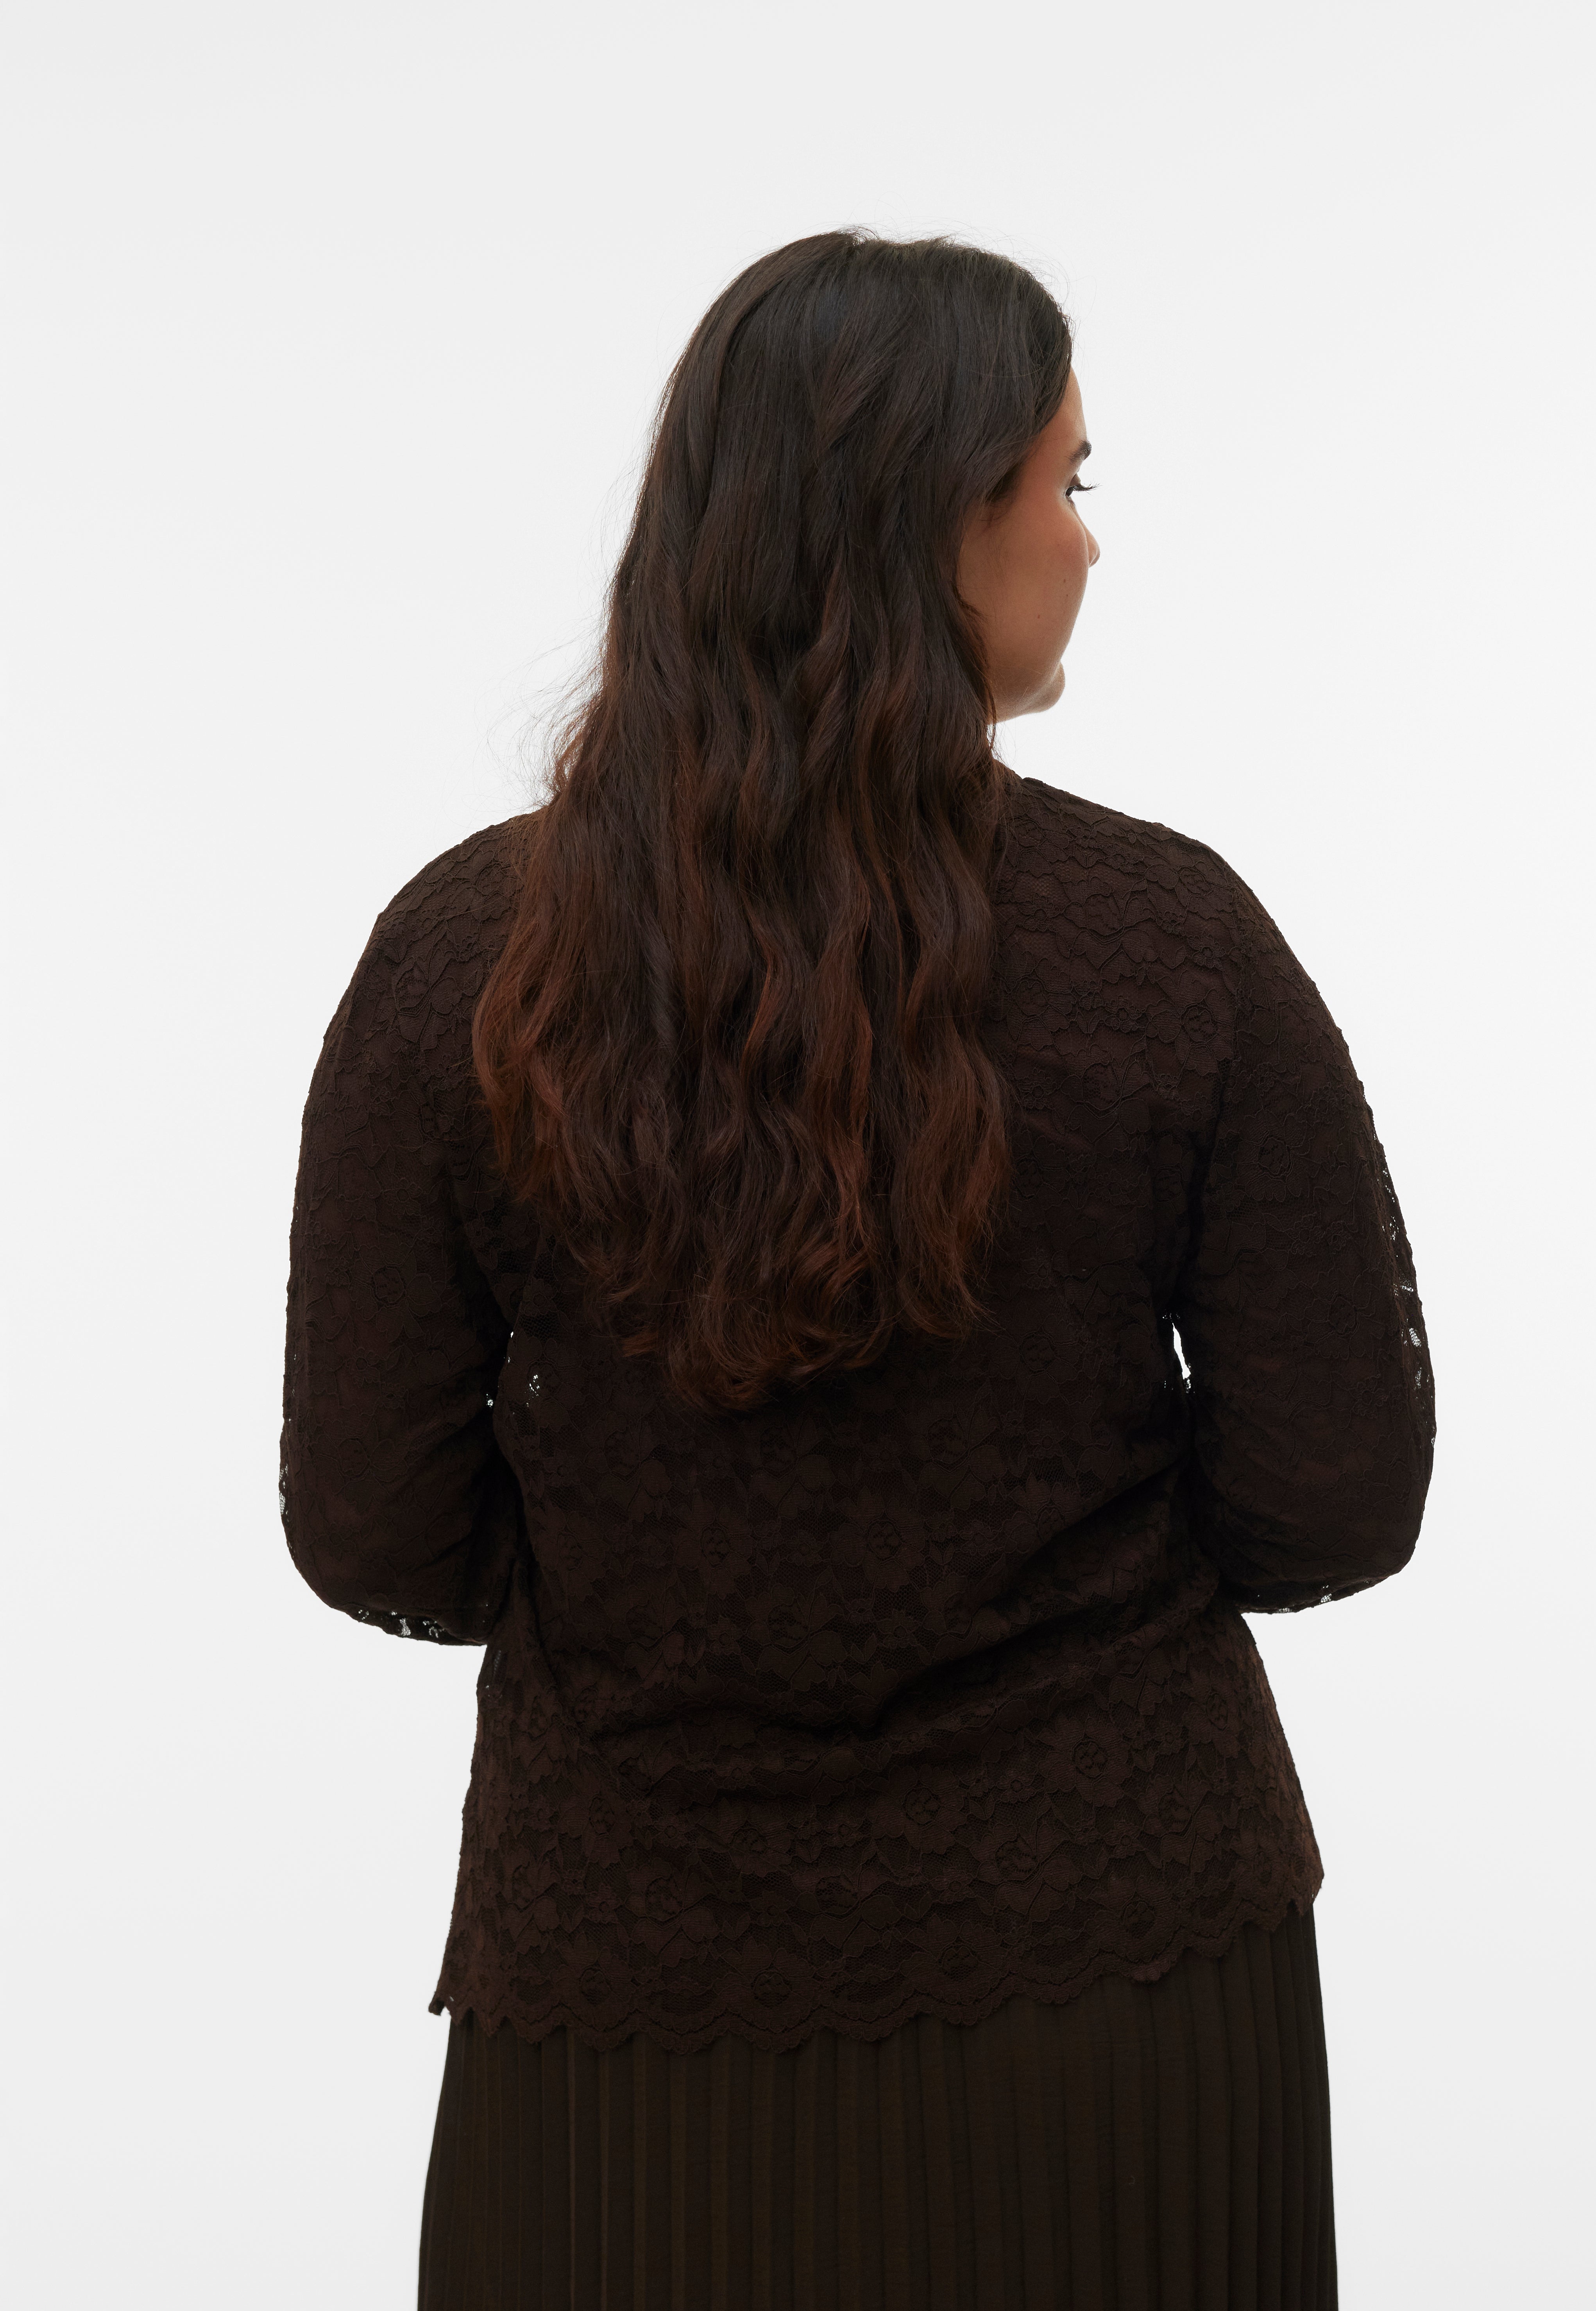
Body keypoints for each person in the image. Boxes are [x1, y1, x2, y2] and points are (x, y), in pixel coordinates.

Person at [281, 228, 1433, 2311]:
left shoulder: (462, 962)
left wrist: (652, 1581)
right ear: (938, 524)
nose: (1089, 542)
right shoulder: (1172, 944)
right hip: (1124, 1993)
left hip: (621, 2000)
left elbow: (374, 1522)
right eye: (1067, 482)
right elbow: (1333, 1494)